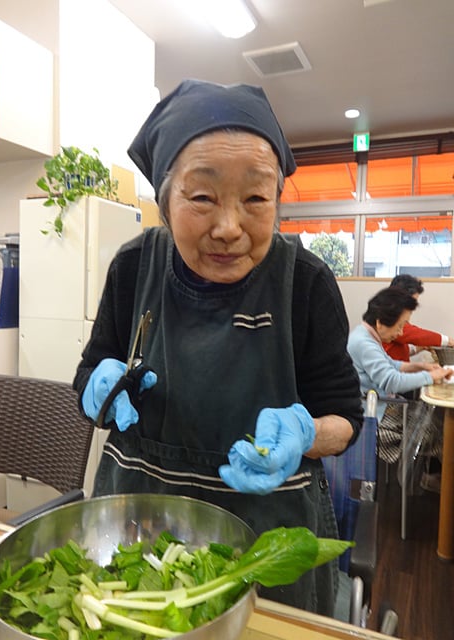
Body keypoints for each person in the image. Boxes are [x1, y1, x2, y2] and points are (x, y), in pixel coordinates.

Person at [73, 79, 363, 616]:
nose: (229, 228)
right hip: (139, 528)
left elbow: (345, 416)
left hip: (267, 537)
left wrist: (305, 434)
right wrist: (100, 386)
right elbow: (91, 368)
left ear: (277, 196)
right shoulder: (133, 267)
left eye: (256, 198)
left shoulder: (305, 282)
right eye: (202, 197)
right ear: (164, 200)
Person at [347, 287, 452, 470]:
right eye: (400, 326)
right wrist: (430, 376)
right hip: (372, 414)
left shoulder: (368, 336)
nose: (402, 332)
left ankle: (432, 476)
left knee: (433, 421)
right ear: (380, 323)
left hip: (383, 405)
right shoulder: (364, 343)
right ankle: (427, 479)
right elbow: (391, 381)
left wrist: (422, 366)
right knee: (432, 430)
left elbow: (393, 364)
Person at [383, 274, 454, 362]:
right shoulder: (387, 315)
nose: (414, 306)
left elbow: (397, 351)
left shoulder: (396, 313)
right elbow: (415, 334)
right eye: (412, 302)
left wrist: (418, 348)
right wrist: (448, 341)